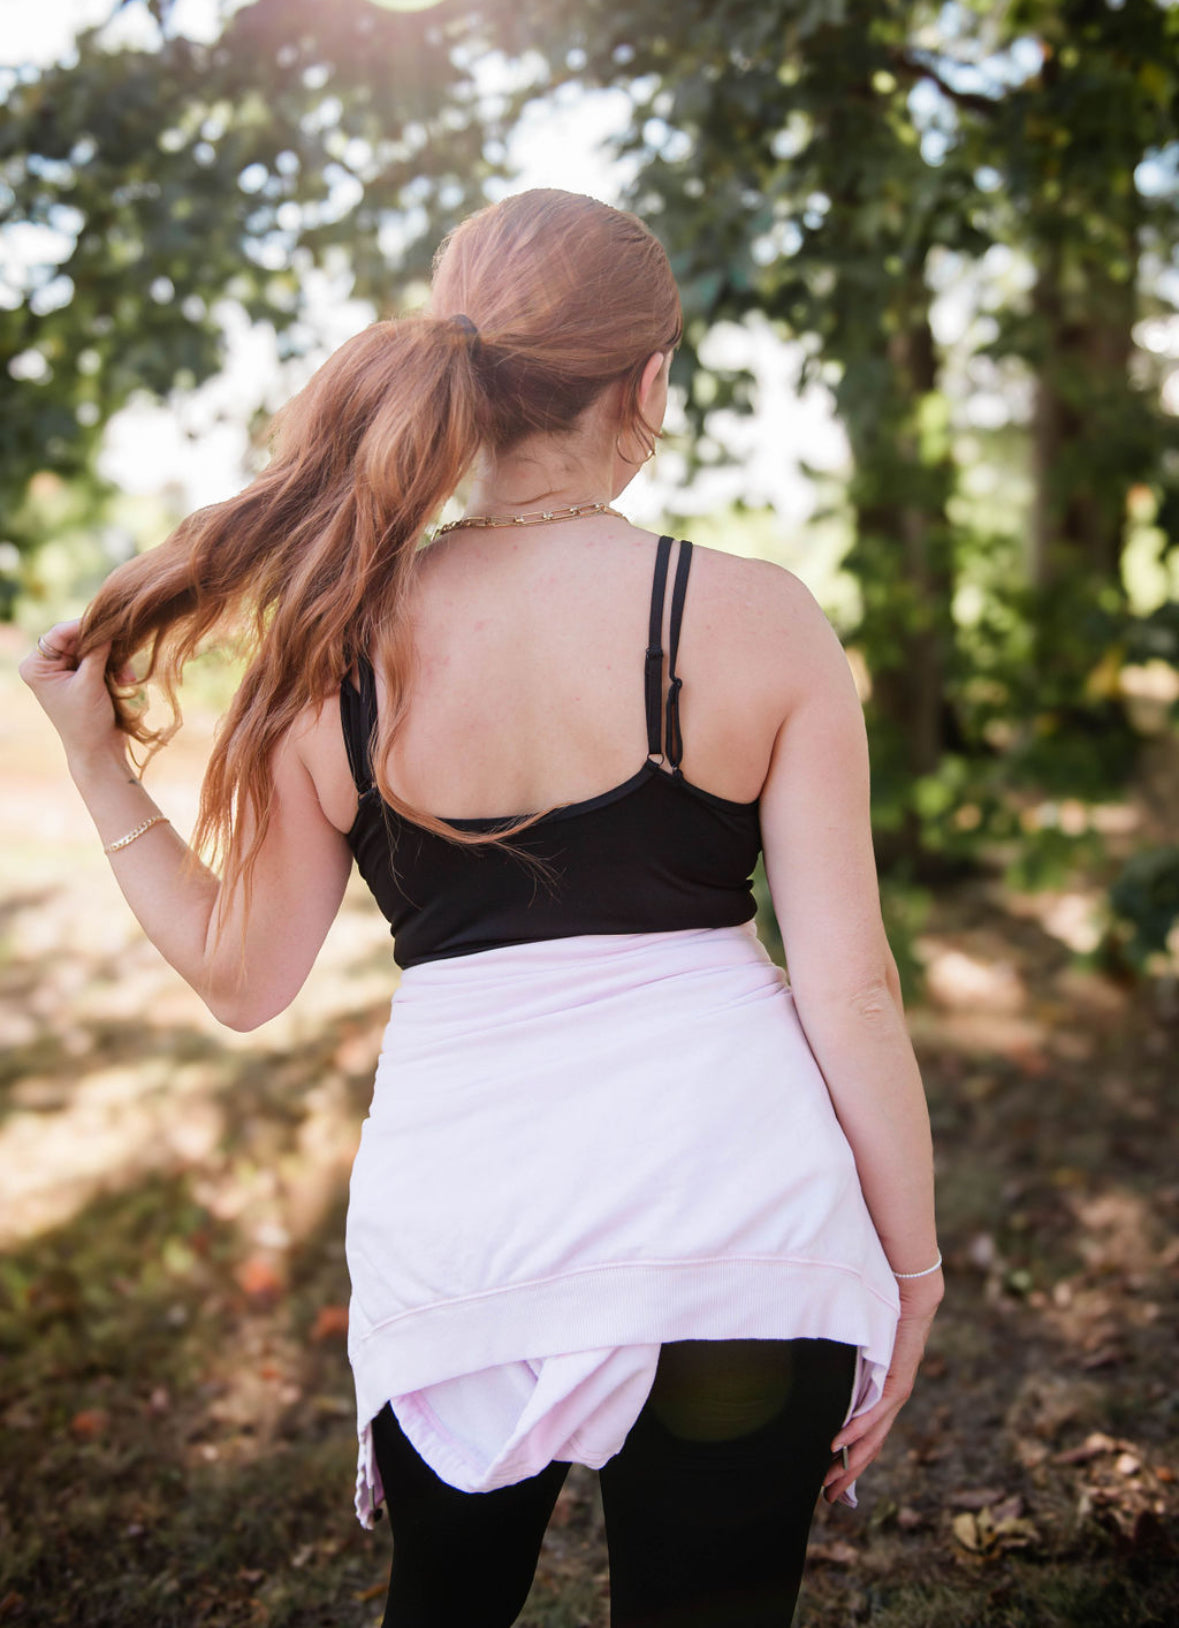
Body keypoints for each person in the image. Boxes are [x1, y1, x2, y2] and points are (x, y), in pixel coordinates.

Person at [20, 187, 943, 1627]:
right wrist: (913, 1265)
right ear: (648, 382)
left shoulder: (335, 649)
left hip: (467, 1246)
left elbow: (240, 976)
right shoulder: (764, 621)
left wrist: (95, 761)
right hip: (744, 1226)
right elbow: (853, 990)